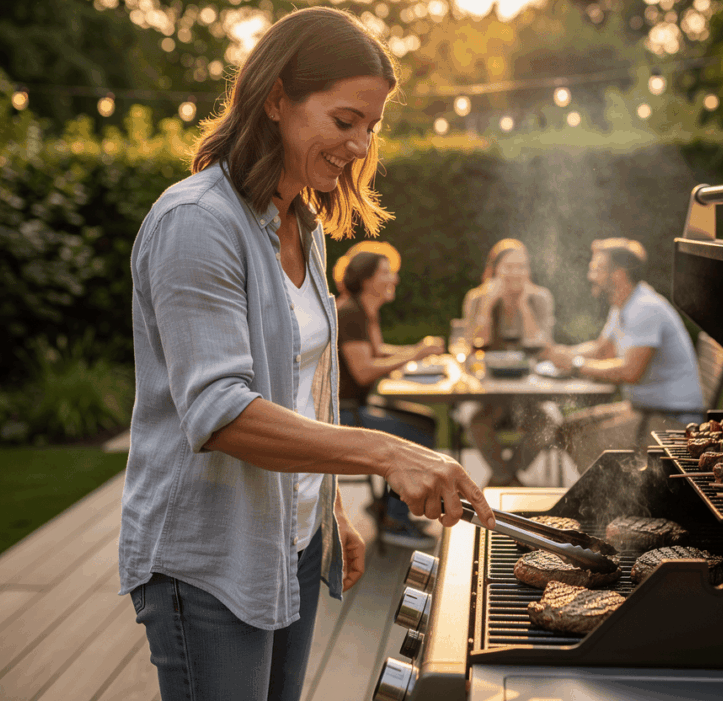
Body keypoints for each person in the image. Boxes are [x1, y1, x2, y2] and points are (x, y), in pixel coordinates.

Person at [117, 8, 494, 701]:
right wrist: (386, 452)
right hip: (210, 556)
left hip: (290, 542)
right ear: (276, 97)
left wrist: (331, 513)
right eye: (345, 119)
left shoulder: (302, 221)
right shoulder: (197, 223)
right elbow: (221, 413)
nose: (359, 144)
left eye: (371, 126)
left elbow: (304, 385)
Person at [548, 237, 705, 467]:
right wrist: (562, 354)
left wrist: (575, 365)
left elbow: (631, 372)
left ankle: (608, 501)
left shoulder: (644, 308)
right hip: (646, 409)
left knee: (582, 440)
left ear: (618, 275)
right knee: (567, 429)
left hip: (674, 420)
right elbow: (603, 350)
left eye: (597, 270)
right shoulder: (623, 305)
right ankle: (602, 497)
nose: (591, 276)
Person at [336, 249, 446, 548]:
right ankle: (395, 519)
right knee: (416, 433)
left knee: (426, 420)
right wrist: (415, 354)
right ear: (368, 279)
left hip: (354, 408)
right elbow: (363, 371)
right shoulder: (350, 314)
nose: (394, 278)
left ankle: (388, 507)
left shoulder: (362, 310)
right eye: (386, 272)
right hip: (342, 417)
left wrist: (417, 350)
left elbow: (378, 351)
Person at [459, 239, 561, 487]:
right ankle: (509, 479)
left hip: (529, 394)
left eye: (522, 267)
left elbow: (543, 346)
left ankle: (502, 477)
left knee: (549, 422)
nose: (516, 273)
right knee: (476, 422)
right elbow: (473, 345)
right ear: (495, 270)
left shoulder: (540, 298)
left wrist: (524, 306)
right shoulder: (476, 298)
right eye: (509, 267)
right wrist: (488, 305)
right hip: (489, 394)